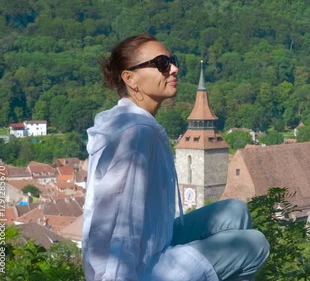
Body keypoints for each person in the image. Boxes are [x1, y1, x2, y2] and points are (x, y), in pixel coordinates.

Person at [82, 34, 269, 281]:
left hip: (154, 242)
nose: (174, 69)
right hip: (142, 269)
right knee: (254, 244)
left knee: (234, 210)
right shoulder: (136, 135)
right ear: (130, 78)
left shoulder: (132, 122)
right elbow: (118, 224)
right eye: (161, 63)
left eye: (172, 60)